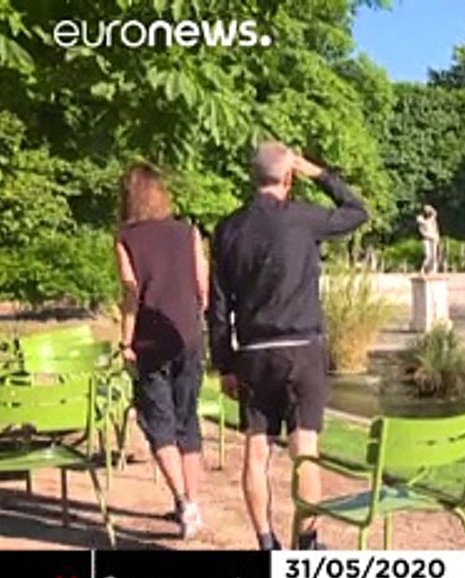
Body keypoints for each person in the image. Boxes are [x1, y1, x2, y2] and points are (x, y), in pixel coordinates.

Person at [208, 142, 369, 551]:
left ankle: (266, 543)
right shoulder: (302, 219)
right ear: (289, 177)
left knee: (256, 449)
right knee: (305, 449)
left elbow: (218, 305)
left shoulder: (227, 229)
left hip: (254, 352)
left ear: (251, 177)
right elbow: (356, 211)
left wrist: (224, 364)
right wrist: (319, 173)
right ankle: (306, 542)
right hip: (301, 347)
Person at [114, 162, 209, 539]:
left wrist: (126, 341)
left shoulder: (126, 237)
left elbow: (130, 292)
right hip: (187, 335)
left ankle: (183, 504)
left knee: (158, 422)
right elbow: (203, 286)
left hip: (151, 340)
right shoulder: (189, 233)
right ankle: (193, 501)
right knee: (188, 419)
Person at [417, 204, 441, 274]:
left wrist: (431, 209)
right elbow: (423, 223)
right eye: (426, 210)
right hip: (426, 238)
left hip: (433, 238)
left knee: (434, 255)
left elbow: (435, 213)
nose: (427, 212)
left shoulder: (432, 220)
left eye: (428, 210)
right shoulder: (421, 219)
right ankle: (423, 269)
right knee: (428, 255)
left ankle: (433, 270)